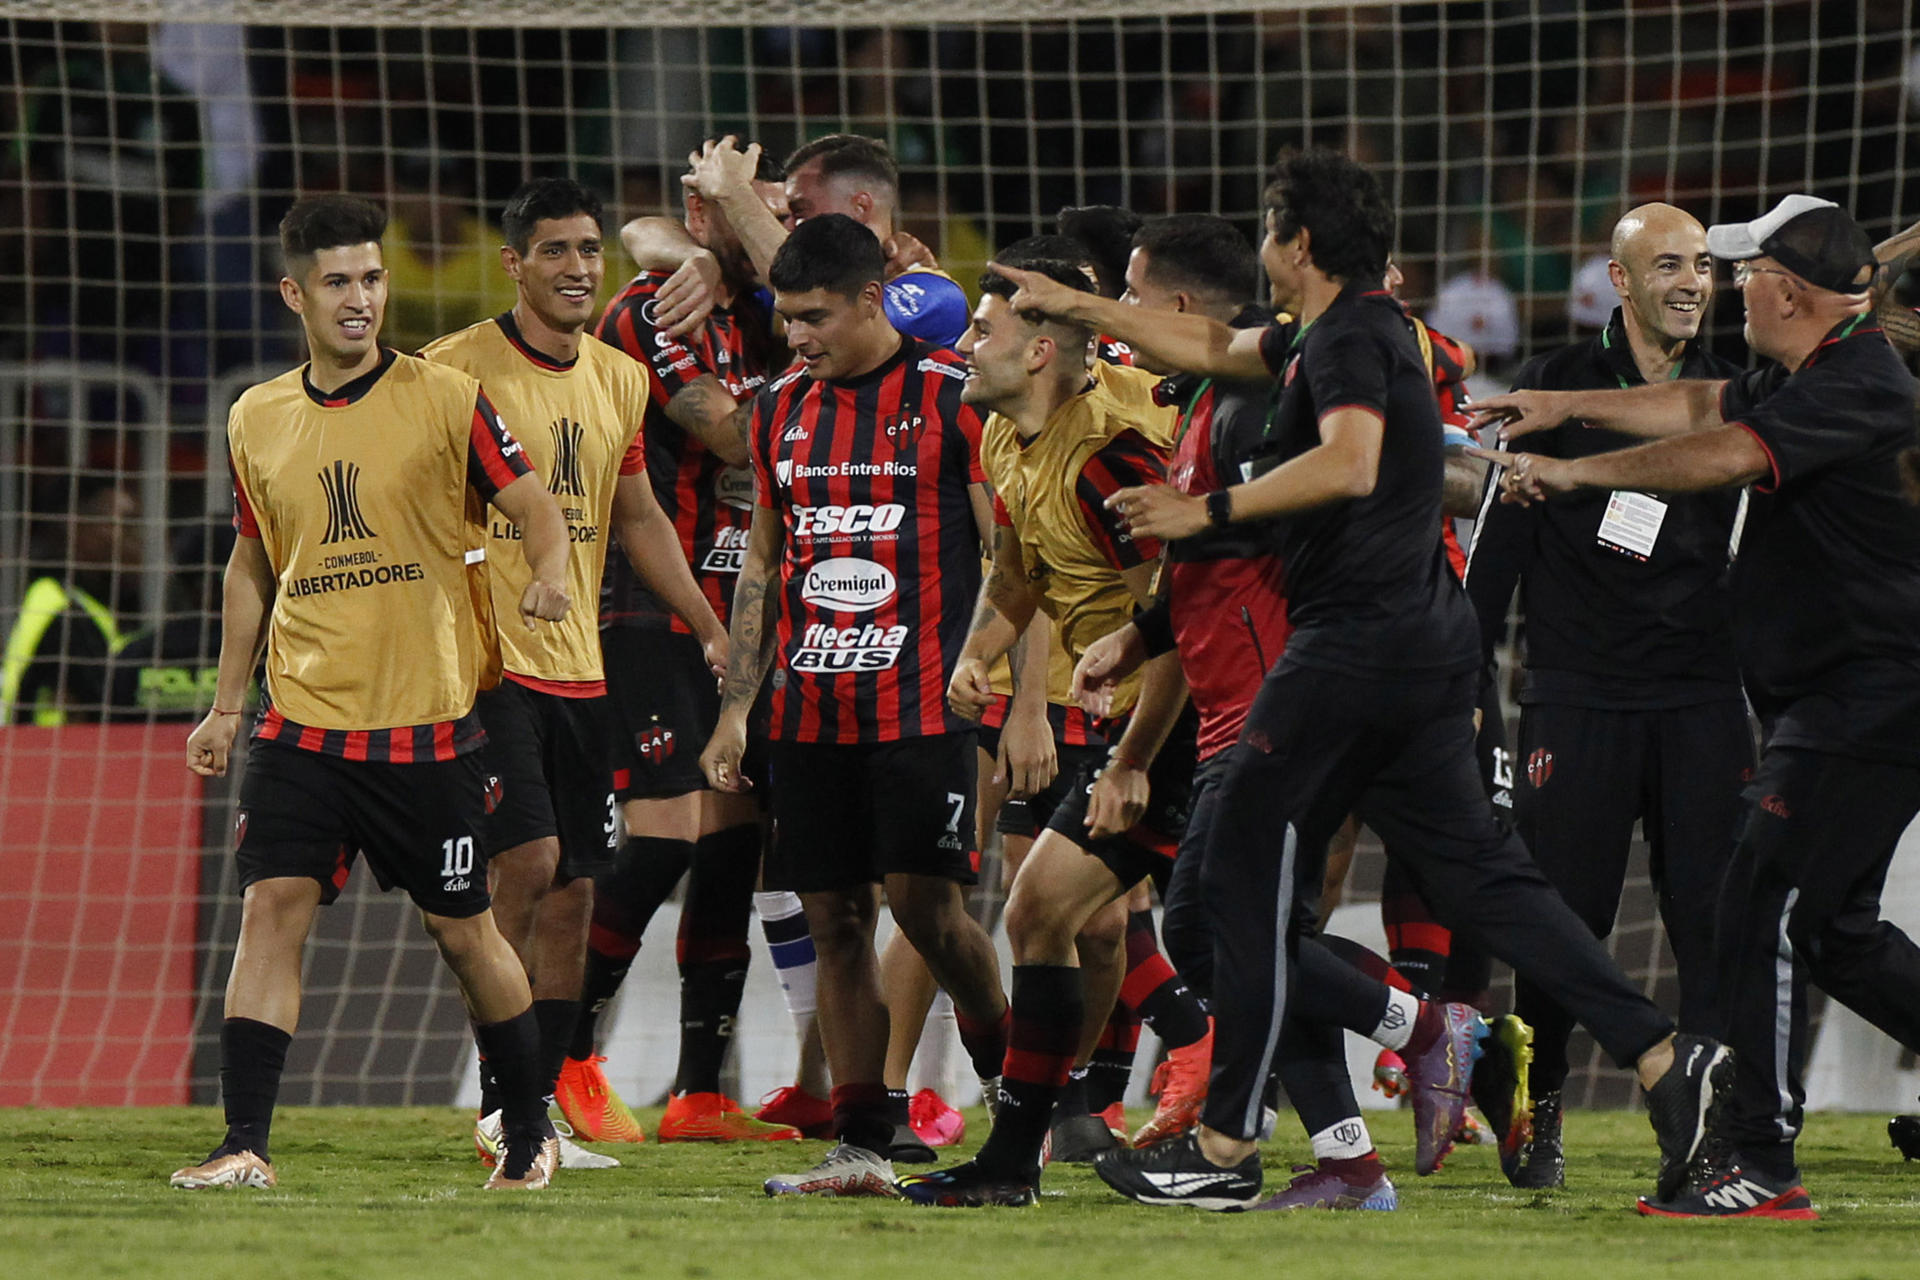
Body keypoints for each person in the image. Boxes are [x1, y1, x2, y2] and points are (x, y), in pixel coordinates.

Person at [987, 148, 1724, 1214]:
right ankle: (1663, 1056)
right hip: (1414, 646)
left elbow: (1350, 462)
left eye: (1274, 229)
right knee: (1481, 879)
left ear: (1300, 243)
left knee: (1228, 879)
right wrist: (1077, 300)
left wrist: (1208, 514)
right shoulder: (1322, 335)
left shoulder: (1355, 339)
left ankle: (1232, 1146)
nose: (1267, 248)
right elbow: (1205, 340)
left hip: (1353, 644)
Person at [1471, 194, 1920, 1220]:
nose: (1713, 281)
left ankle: (1751, 1144)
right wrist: (1563, 412)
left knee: (1747, 908)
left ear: (1786, 292)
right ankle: (1550, 1113)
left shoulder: (1851, 385)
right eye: (1682, 263)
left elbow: (1725, 449)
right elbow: (1706, 409)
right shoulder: (1795, 368)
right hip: (1658, 698)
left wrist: (1576, 466)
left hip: (1830, 697)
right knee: (1819, 927)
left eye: (1732, 266)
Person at [170, 193, 571, 1192]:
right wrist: (228, 704)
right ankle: (243, 1141)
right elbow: (252, 562)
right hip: (301, 722)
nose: (361, 299)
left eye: (373, 278)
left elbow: (532, 503)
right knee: (271, 906)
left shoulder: (443, 398)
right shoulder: (254, 415)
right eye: (339, 282)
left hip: (426, 728)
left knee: (464, 930)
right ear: (294, 293)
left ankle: (527, 1131)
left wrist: (548, 570)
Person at [420, 176, 735, 1168]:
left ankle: (537, 1103)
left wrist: (708, 624)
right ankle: (499, 1102)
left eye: (587, 251)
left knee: (571, 893)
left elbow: (639, 515)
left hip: (582, 666)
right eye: (554, 251)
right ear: (513, 264)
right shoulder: (450, 369)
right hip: (488, 662)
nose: (577, 268)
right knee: (522, 866)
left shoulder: (616, 376)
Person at [698, 214, 1010, 1198]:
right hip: (812, 715)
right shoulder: (778, 407)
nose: (796, 336)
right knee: (833, 917)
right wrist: (736, 709)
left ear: (872, 301)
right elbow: (761, 561)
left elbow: (1010, 559)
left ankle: (1022, 1089)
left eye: (814, 316)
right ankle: (862, 1143)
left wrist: (1019, 694)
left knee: (929, 912)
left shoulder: (956, 400)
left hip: (922, 708)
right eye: (786, 318)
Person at [897, 252, 1211, 1206]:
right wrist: (982, 648)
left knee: (1248, 933)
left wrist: (1131, 762)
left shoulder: (1114, 459)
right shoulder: (1003, 443)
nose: (962, 349)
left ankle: (1411, 1034)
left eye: (981, 334)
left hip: (1197, 718)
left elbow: (1182, 626)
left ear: (1039, 352)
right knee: (1046, 913)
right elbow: (1021, 572)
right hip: (1135, 719)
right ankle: (1013, 1162)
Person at [1461, 203, 1750, 1189]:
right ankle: (1538, 1106)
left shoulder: (1735, 391)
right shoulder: (1552, 386)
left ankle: (1711, 1119)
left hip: (1706, 696)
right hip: (1576, 694)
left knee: (1709, 917)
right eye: (1670, 263)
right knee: (1564, 917)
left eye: (1705, 265)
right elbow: (1496, 550)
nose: (1692, 280)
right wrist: (1465, 684)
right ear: (1620, 281)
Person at [564, 151, 815, 1145]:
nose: (772, 227)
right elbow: (731, 434)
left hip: (748, 609)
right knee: (664, 832)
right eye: (758, 208)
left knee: (732, 843)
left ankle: (699, 1090)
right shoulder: (647, 311)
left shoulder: (775, 312)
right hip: (650, 604)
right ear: (700, 210)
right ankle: (565, 1052)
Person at [622, 133, 967, 347]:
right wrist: (697, 257)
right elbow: (638, 232)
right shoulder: (766, 290)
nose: (791, 226)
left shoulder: (933, 297)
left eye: (800, 210)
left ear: (860, 206)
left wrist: (735, 193)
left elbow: (816, 297)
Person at [4, 481, 142, 724]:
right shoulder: (65, 612)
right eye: (125, 524)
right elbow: (107, 709)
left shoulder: (91, 606)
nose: (136, 540)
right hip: (51, 754)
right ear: (78, 528)